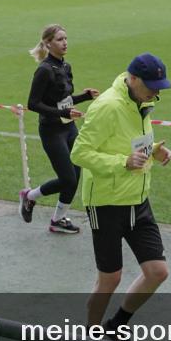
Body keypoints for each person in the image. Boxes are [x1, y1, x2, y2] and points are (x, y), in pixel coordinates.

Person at [71, 53, 171, 334]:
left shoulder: (141, 101)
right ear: (134, 78)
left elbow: (130, 143)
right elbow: (79, 153)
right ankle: (89, 339)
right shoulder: (107, 106)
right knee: (110, 279)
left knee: (157, 272)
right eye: (152, 85)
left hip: (138, 199)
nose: (156, 91)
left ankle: (116, 326)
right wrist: (122, 163)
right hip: (106, 202)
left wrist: (153, 151)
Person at [19, 25, 98, 234]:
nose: (65, 43)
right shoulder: (44, 70)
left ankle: (58, 219)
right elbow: (33, 103)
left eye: (66, 38)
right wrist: (61, 113)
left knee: (75, 174)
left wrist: (84, 96)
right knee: (67, 179)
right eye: (60, 39)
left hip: (69, 128)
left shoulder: (65, 67)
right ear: (48, 43)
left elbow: (65, 99)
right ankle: (29, 196)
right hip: (51, 130)